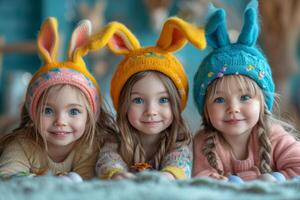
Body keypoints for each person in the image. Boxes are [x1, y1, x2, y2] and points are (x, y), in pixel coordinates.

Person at [192, 0, 300, 183]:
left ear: (262, 103)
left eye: (244, 97)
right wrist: (240, 181)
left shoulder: (274, 135)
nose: (233, 108)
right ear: (205, 110)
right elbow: (202, 179)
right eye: (219, 100)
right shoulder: (204, 143)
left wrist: (277, 177)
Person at [85, 17, 206, 180]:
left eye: (163, 100)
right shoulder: (116, 139)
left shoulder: (177, 140)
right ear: (123, 105)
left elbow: (180, 164)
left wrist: (168, 175)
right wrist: (116, 174)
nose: (151, 111)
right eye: (138, 100)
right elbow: (107, 159)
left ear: (177, 104)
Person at [0, 17, 116, 180]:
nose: (60, 121)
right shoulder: (22, 145)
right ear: (33, 114)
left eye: (74, 111)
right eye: (48, 111)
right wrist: (35, 181)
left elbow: (86, 185)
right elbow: (6, 176)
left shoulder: (88, 147)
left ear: (90, 117)